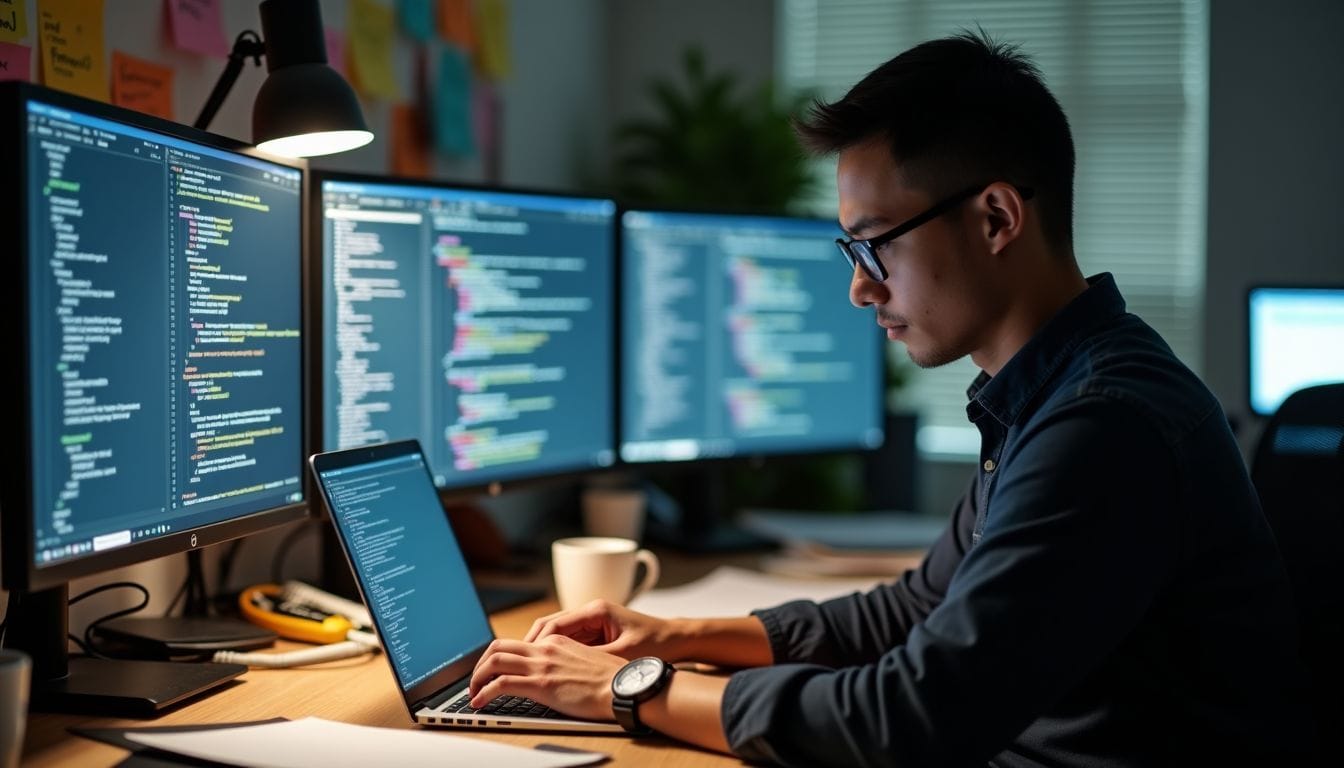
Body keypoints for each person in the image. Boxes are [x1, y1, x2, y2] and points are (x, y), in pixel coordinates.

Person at [469, 31, 1314, 766]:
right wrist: (673, 639)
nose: (859, 291)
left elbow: (911, 720)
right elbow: (919, 609)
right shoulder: (1045, 393)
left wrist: (631, 688)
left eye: (874, 246)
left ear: (995, 219)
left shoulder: (1104, 426)